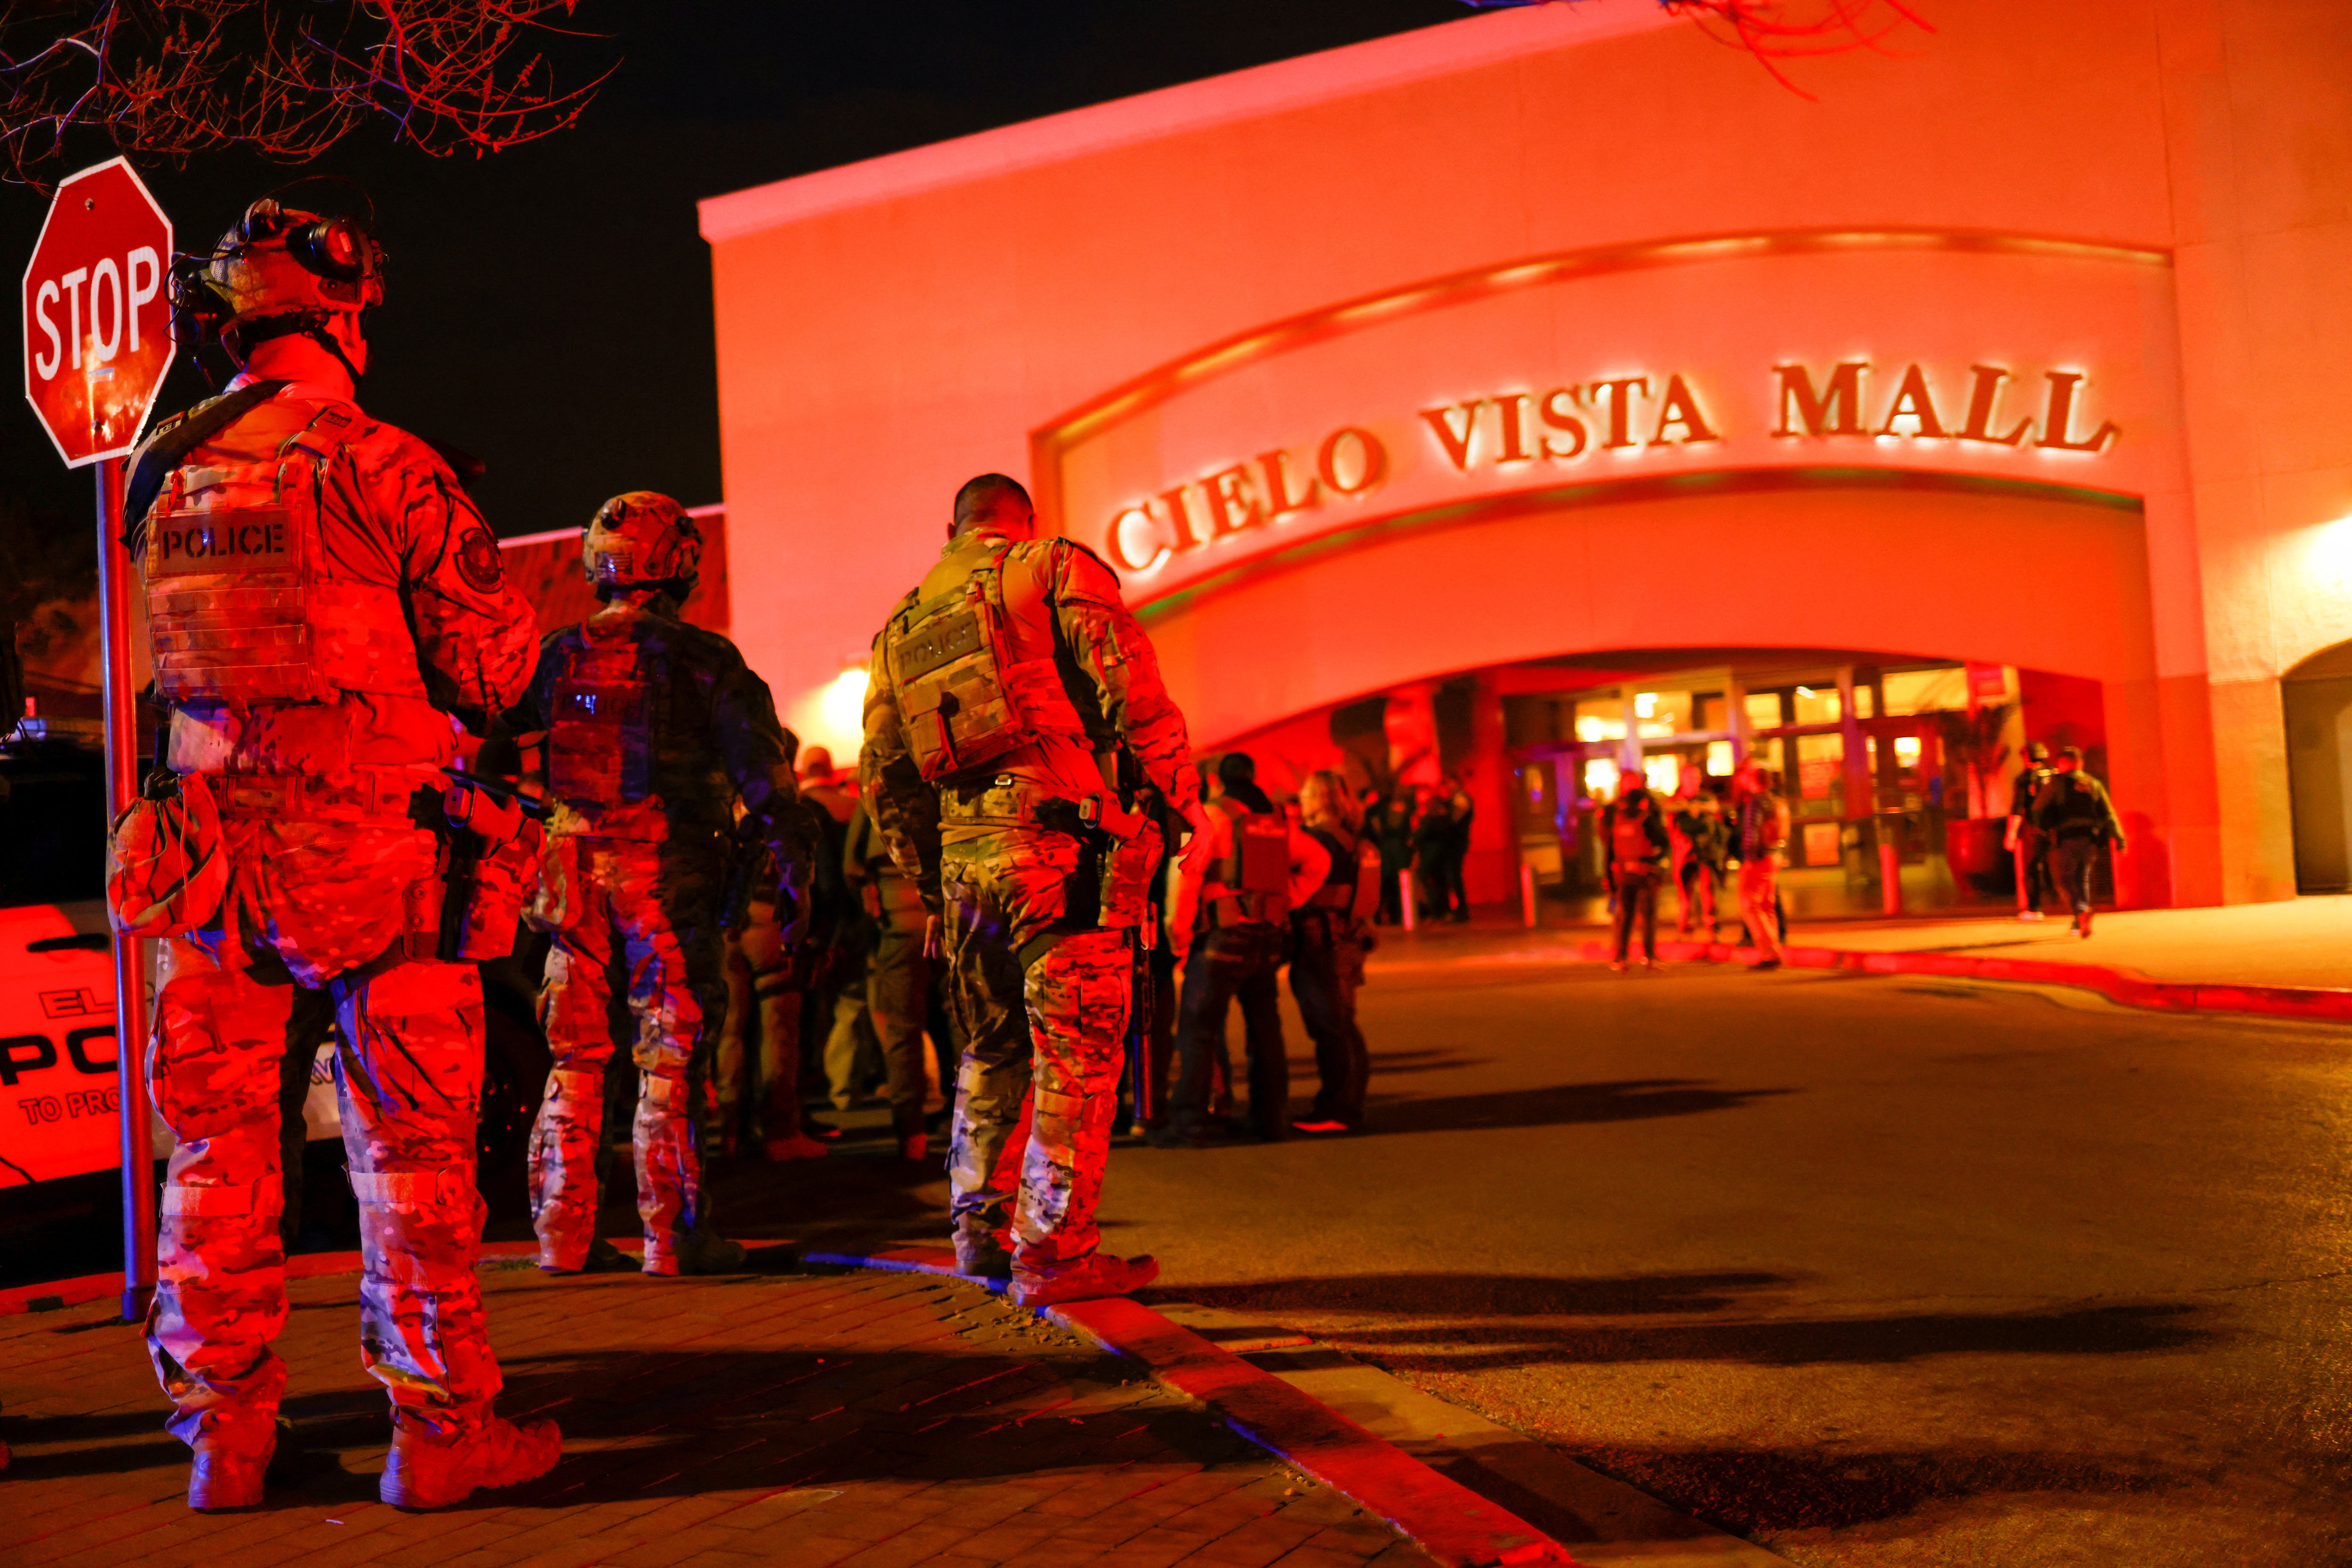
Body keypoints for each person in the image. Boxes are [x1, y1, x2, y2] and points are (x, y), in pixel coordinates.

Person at [121, 191, 553, 1511]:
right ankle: (435, 1431)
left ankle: (224, 1442)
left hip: (207, 856)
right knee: (411, 1150)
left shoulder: (163, 480)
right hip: (378, 855)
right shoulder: (383, 463)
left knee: (216, 1159)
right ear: (349, 313)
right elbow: (488, 668)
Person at [860, 472, 1197, 1307]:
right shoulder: (1051, 567)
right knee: (1077, 1056)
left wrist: (930, 882)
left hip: (963, 860)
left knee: (990, 1047)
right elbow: (1134, 689)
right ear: (1024, 521)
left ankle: (978, 1234)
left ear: (953, 526)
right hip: (1058, 844)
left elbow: (882, 773)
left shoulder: (901, 624)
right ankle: (1054, 1252)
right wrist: (1180, 800)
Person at [505, 493, 805, 1281]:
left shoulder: (555, 653)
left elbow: (485, 744)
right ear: (679, 564)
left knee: (572, 1057)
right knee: (669, 1059)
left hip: (571, 883)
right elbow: (768, 785)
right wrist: (792, 867)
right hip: (666, 882)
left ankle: (561, 1237)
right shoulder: (704, 659)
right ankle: (674, 1238)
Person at [1165, 752, 1329, 1146]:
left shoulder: (1212, 816)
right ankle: (1270, 1118)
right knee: (1265, 1030)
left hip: (1221, 938)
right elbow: (1318, 859)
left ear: (1218, 782)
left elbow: (1187, 876)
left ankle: (1189, 1124)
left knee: (1198, 1030)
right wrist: (1286, 898)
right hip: (1266, 937)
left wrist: (1180, 933)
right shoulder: (1275, 820)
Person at [844, 797, 940, 1159]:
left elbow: (852, 866)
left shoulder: (876, 785)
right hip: (955, 914)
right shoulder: (947, 770)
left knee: (902, 1027)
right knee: (970, 1023)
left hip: (899, 922)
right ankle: (978, 1126)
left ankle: (911, 1133)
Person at [1288, 769, 1380, 1134]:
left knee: (1329, 1025)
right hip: (1348, 939)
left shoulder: (1316, 840)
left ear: (1322, 798)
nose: (1302, 801)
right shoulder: (1355, 840)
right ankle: (1351, 1101)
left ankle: (1336, 1107)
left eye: (1307, 795)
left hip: (1319, 939)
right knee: (1345, 1021)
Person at [2031, 746, 2126, 937]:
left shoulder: (2057, 784)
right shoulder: (2093, 784)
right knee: (2082, 877)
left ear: (2062, 764)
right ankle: (2079, 920)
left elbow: (2038, 809)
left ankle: (2081, 909)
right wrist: (2119, 838)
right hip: (2091, 838)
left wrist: (2042, 830)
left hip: (2068, 837)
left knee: (2065, 878)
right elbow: (2108, 813)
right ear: (2080, 763)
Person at [1601, 779, 1669, 969]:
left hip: (1624, 874)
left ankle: (1620, 957)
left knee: (1626, 916)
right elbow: (1663, 841)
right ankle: (1649, 956)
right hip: (1645, 872)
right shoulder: (1646, 819)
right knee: (1648, 916)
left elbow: (1612, 850)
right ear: (1643, 803)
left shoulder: (1618, 820)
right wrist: (1658, 862)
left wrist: (1609, 876)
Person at [1730, 759, 1790, 971]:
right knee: (1767, 905)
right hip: (1775, 856)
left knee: (1750, 905)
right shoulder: (1777, 801)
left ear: (1754, 780)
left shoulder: (1756, 803)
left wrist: (1748, 859)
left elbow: (1752, 833)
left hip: (1760, 858)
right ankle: (1774, 949)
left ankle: (1770, 953)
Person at [2006, 741, 2056, 921]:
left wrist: (2011, 834)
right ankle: (2070, 904)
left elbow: (2018, 808)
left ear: (2027, 757)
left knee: (2032, 868)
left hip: (2035, 829)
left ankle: (2034, 909)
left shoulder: (2026, 778)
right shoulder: (2056, 774)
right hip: (2058, 829)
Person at [1673, 788, 1731, 940]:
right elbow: (1684, 828)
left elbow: (1710, 827)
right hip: (1687, 856)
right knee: (1686, 895)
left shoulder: (1704, 800)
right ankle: (1686, 927)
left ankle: (1711, 928)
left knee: (1708, 892)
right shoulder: (1679, 803)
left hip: (1705, 855)